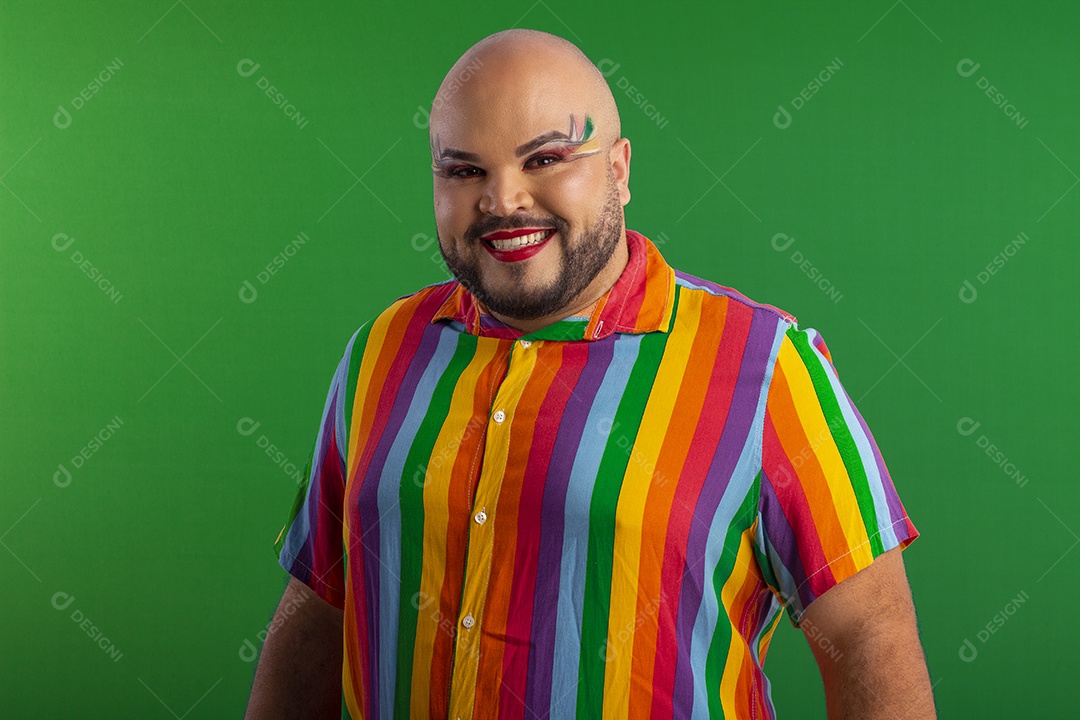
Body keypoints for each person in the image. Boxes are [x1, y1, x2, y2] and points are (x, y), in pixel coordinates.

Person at [245, 29, 935, 720]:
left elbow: (869, 634)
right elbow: (313, 614)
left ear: (620, 169)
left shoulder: (764, 365)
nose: (503, 201)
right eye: (464, 171)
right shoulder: (380, 353)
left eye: (544, 158)